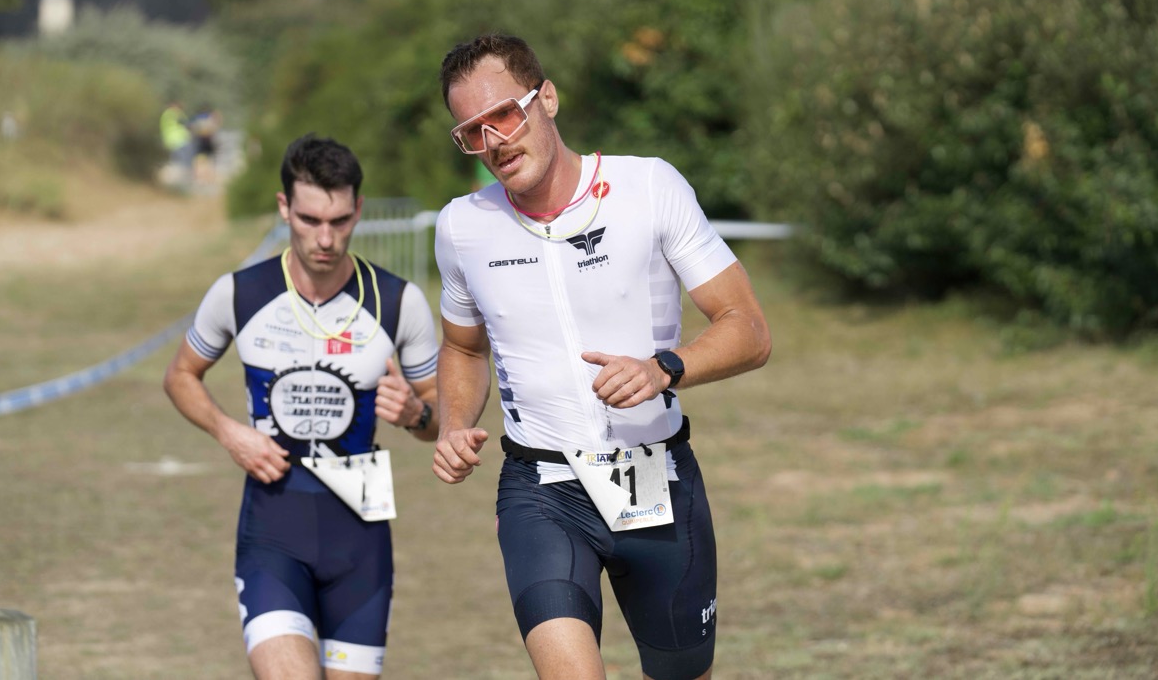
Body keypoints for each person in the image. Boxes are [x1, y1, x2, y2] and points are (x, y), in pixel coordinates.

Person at [431, 34, 771, 680]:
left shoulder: (649, 186)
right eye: (473, 131)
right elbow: (462, 347)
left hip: (657, 475)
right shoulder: (461, 226)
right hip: (542, 488)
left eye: (504, 115)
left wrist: (663, 367)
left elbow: (749, 328)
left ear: (547, 98)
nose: (494, 141)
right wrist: (452, 423)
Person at [163, 134, 439, 680]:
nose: (325, 238)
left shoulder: (398, 301)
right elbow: (180, 376)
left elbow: (441, 417)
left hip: (361, 539)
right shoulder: (240, 293)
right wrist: (229, 433)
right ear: (284, 207)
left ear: (359, 209)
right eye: (310, 220)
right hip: (273, 528)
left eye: (339, 221)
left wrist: (416, 415)